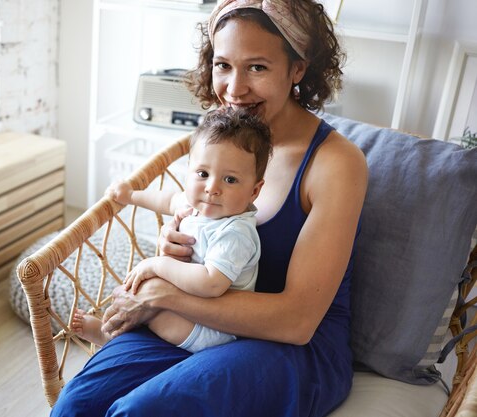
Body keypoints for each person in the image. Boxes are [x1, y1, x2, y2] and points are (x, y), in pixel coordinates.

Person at [52, 0, 368, 415]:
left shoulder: (335, 165)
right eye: (223, 65)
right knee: (75, 407)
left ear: (297, 68)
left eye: (257, 67)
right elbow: (191, 213)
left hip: (289, 349)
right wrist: (177, 241)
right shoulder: (221, 136)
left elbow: (296, 322)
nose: (234, 90)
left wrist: (164, 293)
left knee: (140, 412)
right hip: (200, 325)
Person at [72, 108, 272, 352]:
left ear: (254, 191)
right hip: (185, 304)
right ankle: (111, 330)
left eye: (230, 180)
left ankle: (110, 339)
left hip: (213, 328)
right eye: (202, 174)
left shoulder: (235, 232)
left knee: (150, 308)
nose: (212, 188)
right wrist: (131, 195)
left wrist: (156, 265)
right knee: (133, 292)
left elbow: (211, 284)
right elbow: (166, 200)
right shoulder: (195, 205)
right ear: (189, 171)